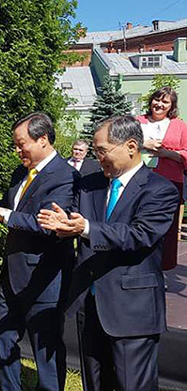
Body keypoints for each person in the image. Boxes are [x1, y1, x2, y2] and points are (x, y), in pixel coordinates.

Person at [38, 115, 179, 391]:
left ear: (130, 146)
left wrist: (86, 228)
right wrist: (62, 225)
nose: (98, 157)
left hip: (133, 312)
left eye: (102, 151)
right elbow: (72, 219)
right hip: (90, 308)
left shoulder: (160, 190)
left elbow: (139, 235)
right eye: (95, 151)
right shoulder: (90, 185)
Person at [0, 112, 78, 391]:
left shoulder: (65, 176)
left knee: (44, 350)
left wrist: (5, 216)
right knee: (3, 337)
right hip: (12, 275)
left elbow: (47, 224)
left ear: (43, 139)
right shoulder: (20, 173)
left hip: (45, 279)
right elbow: (7, 206)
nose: (17, 150)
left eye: (21, 144)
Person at [136, 86, 187, 270]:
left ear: (171, 106)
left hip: (169, 181)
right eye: (157, 100)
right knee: (138, 221)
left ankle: (161, 269)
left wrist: (167, 153)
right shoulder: (137, 121)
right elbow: (123, 141)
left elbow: (186, 152)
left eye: (165, 102)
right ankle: (138, 265)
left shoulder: (179, 125)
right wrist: (144, 143)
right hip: (139, 179)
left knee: (167, 227)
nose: (159, 104)